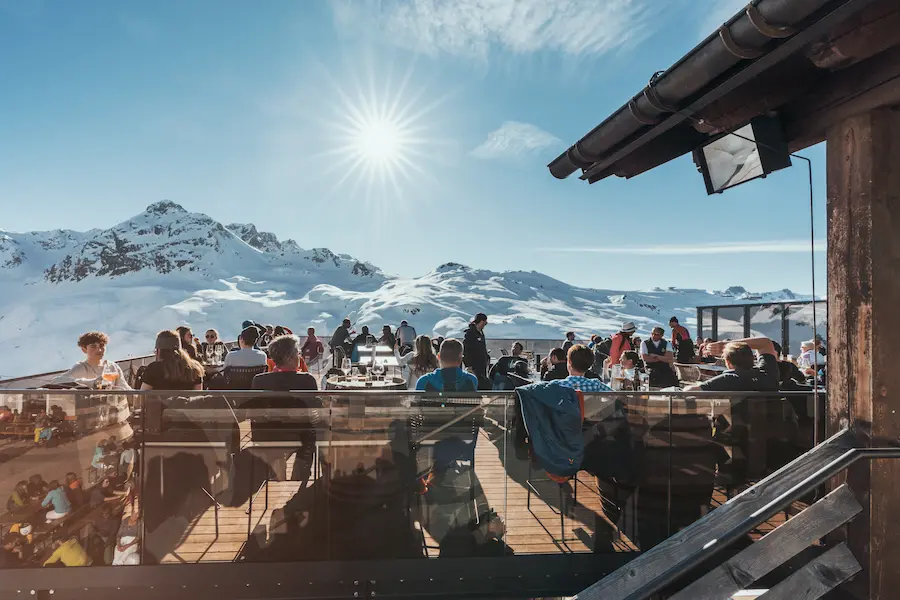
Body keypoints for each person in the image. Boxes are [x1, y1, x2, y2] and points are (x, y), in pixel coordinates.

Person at [685, 337, 779, 392]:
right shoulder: (767, 374)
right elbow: (766, 343)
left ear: (728, 363)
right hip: (772, 425)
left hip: (736, 425)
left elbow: (689, 391)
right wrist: (726, 344)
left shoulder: (727, 380)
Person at [54, 331, 131, 389]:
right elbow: (57, 381)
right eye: (93, 346)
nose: (99, 350)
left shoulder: (112, 367)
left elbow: (125, 388)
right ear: (84, 349)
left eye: (102, 346)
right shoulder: (81, 367)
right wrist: (91, 382)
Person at [140, 330, 205, 391]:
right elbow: (198, 397)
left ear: (159, 350)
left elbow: (141, 397)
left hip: (160, 403)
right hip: (185, 403)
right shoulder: (195, 369)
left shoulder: (153, 368)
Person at [252, 335, 318, 391]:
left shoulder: (259, 380)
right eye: (298, 353)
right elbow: (316, 404)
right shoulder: (307, 380)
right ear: (288, 358)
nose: (299, 357)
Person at [463, 313, 490, 384]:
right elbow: (466, 350)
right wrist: (468, 365)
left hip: (481, 364)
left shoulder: (480, 333)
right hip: (474, 365)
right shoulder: (470, 333)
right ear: (480, 321)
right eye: (484, 322)